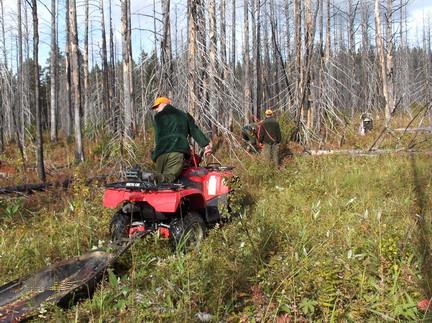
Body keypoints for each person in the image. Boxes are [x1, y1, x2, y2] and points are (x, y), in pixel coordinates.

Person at [150, 96, 212, 183]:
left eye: (157, 106)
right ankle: (150, 178)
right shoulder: (184, 115)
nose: (156, 109)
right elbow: (194, 130)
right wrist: (205, 145)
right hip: (177, 150)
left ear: (164, 103)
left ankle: (149, 178)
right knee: (169, 178)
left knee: (158, 184)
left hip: (160, 152)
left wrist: (155, 153)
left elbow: (157, 138)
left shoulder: (157, 118)